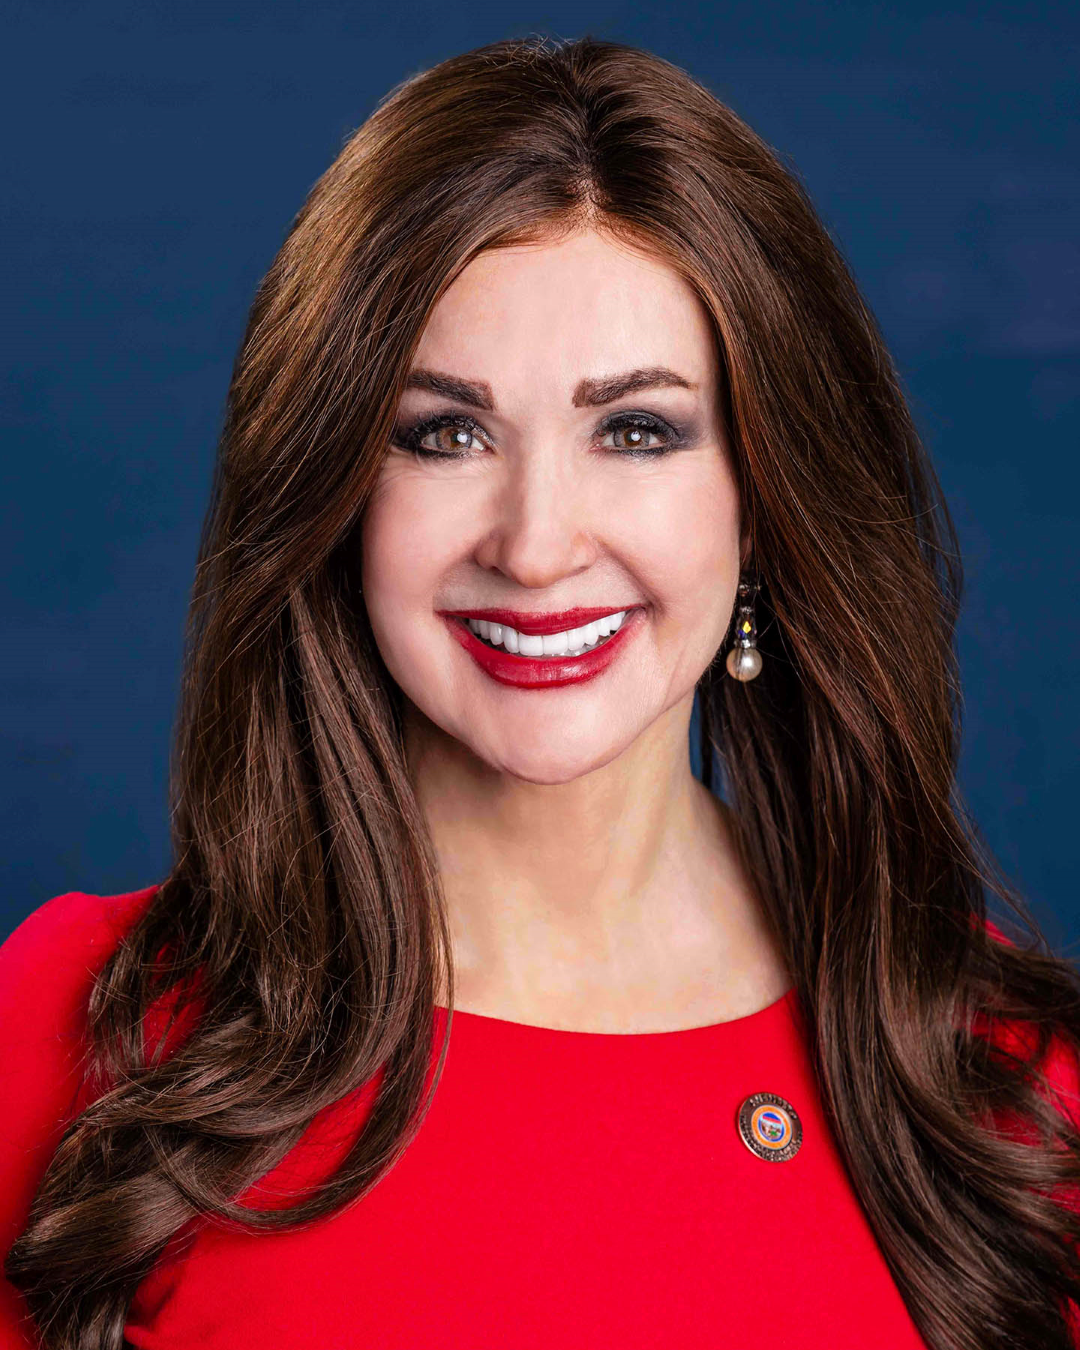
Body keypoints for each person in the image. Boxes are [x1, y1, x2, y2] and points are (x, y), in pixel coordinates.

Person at [3, 33, 1080, 1350]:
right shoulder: (78, 1034)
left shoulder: (1010, 1090)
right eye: (444, 432)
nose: (534, 542)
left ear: (763, 495)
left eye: (637, 430)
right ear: (340, 490)